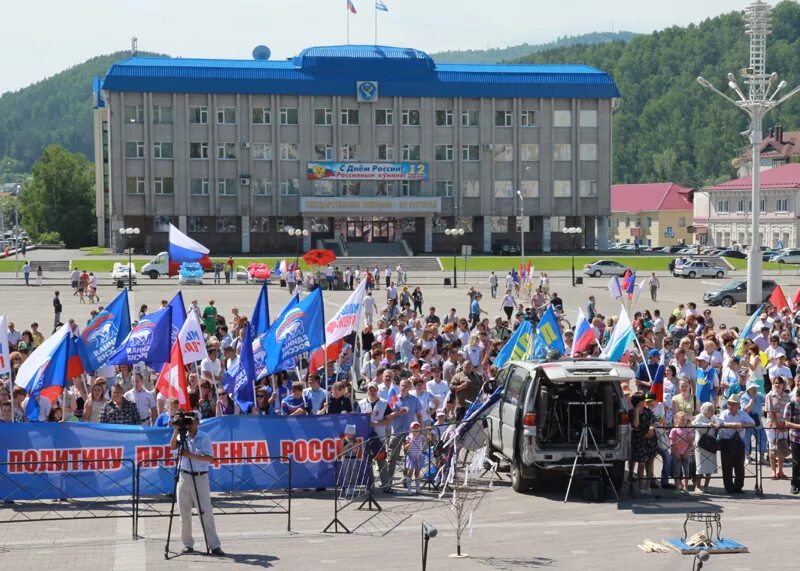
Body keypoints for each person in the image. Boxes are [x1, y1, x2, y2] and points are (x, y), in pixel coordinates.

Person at [170, 412, 224, 556]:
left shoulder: (204, 437)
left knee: (206, 512)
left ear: (197, 422)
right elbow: (172, 447)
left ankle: (214, 545)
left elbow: (209, 458)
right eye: (186, 422)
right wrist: (176, 429)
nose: (188, 424)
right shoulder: (182, 436)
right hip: (183, 476)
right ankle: (188, 544)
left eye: (191, 422)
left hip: (200, 478)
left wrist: (191, 455)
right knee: (184, 513)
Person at [717, 393, 755, 494]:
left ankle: (738, 487)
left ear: (738, 405)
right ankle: (729, 488)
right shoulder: (724, 413)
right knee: (727, 467)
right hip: (726, 442)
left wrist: (742, 424)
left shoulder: (742, 413)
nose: (730, 406)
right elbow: (720, 423)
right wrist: (734, 425)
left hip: (738, 443)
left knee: (739, 467)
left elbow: (753, 423)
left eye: (732, 404)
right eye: (729, 403)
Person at [782, 387, 800, 494]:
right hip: (796, 438)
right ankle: (794, 484)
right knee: (796, 462)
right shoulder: (790, 406)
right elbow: (787, 423)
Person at [404, 421, 428, 495]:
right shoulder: (408, 437)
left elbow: (427, 440)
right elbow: (405, 448)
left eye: (417, 427)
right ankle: (409, 489)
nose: (415, 429)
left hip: (418, 456)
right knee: (410, 472)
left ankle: (418, 489)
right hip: (411, 456)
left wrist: (428, 433)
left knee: (417, 472)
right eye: (414, 427)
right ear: (411, 429)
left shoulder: (421, 436)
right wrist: (410, 443)